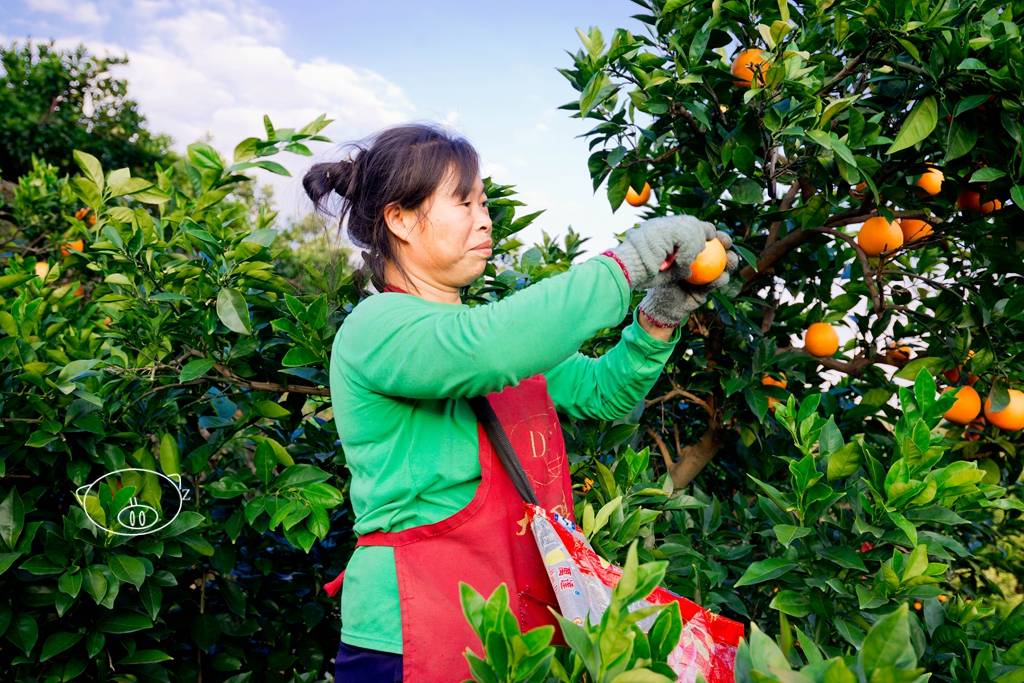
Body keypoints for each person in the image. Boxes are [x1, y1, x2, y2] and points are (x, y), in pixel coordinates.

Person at [302, 121, 739, 682]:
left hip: (514, 636)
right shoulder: (379, 327)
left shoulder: (485, 334)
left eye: (484, 202)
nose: (485, 219)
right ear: (401, 219)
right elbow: (486, 349)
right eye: (464, 203)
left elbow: (605, 392)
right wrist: (625, 264)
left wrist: (662, 312)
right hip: (412, 633)